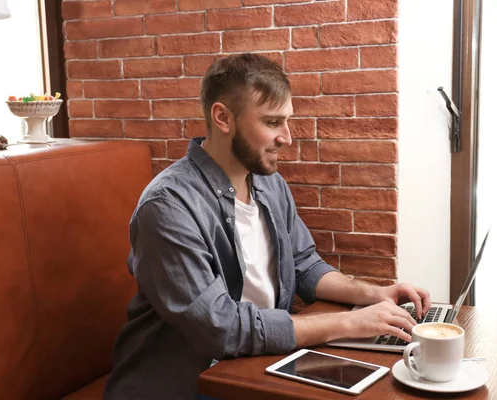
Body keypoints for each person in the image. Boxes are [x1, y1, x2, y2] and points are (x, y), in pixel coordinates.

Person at [104, 53, 431, 400]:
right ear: (222, 118)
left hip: (258, 366)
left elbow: (305, 265)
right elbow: (222, 328)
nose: (287, 137)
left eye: (287, 121)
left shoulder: (269, 184)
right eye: (273, 122)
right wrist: (349, 323)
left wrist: (375, 294)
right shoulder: (167, 206)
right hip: (186, 384)